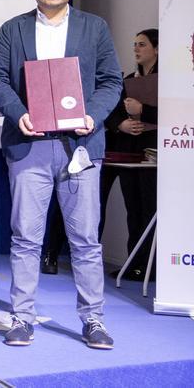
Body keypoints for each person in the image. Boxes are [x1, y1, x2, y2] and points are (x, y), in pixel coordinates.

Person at [0, 0, 122, 349]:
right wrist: (19, 112)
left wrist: (92, 117)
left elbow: (111, 80)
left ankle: (93, 320)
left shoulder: (94, 27)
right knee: (26, 237)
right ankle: (21, 318)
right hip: (29, 146)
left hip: (79, 146)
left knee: (85, 241)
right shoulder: (13, 29)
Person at [101, 28, 159, 281]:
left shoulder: (169, 82)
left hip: (154, 155)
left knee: (150, 209)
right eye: (135, 44)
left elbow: (178, 115)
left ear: (157, 49)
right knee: (132, 208)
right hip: (129, 155)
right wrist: (121, 124)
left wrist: (142, 111)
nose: (136, 48)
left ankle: (151, 266)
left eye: (142, 45)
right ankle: (134, 262)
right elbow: (112, 113)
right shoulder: (128, 79)